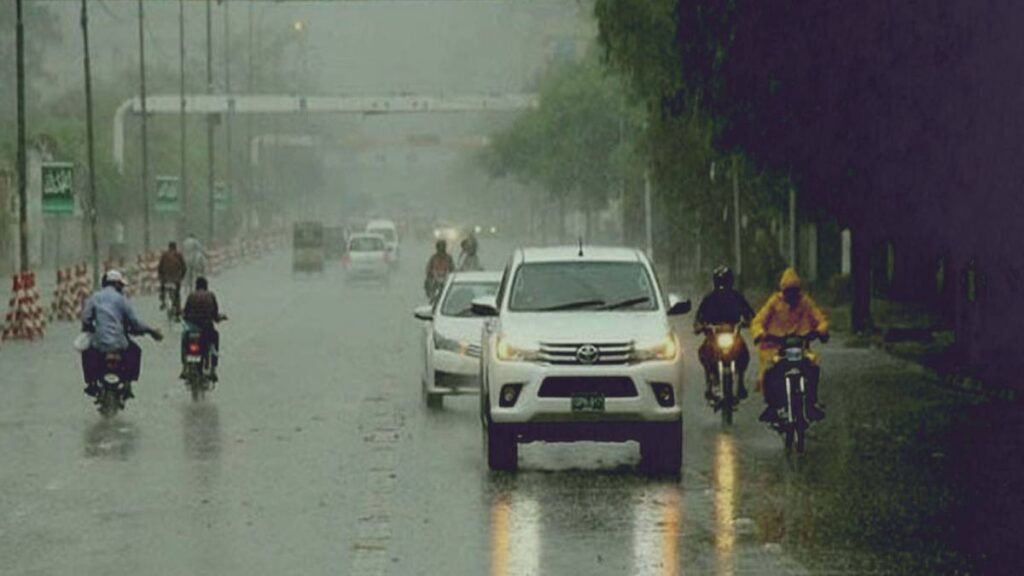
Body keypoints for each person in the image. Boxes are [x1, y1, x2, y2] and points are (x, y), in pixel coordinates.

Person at [751, 267, 829, 423]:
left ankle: (811, 403)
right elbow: (758, 321)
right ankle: (772, 406)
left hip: (800, 347)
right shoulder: (774, 302)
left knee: (812, 367)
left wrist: (820, 331)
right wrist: (760, 333)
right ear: (783, 291)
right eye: (788, 291)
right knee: (769, 370)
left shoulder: (805, 302)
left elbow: (820, 319)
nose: (792, 296)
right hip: (775, 347)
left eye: (794, 291)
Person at [80, 270, 163, 399]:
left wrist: (89, 328)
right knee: (135, 351)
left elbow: (86, 318)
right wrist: (151, 331)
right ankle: (128, 383)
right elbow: (134, 323)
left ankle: (91, 383)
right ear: (117, 285)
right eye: (121, 286)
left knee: (86, 353)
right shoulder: (122, 300)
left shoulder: (95, 298)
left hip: (99, 344)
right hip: (120, 344)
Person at [694, 266, 755, 403]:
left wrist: (748, 322)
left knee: (743, 352)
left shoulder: (737, 297)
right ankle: (710, 382)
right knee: (704, 352)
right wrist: (700, 327)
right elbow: (699, 317)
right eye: (720, 281)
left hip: (733, 334)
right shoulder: (709, 298)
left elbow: (749, 314)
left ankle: (740, 382)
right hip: (713, 336)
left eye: (725, 281)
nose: (723, 285)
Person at [181, 276, 225, 382]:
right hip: (207, 328)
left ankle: (184, 367)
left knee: (183, 342)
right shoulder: (211, 295)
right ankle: (213, 368)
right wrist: (220, 318)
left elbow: (185, 314)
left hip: (192, 329)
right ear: (206, 286)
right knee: (215, 338)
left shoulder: (191, 296)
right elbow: (215, 315)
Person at [157, 241, 187, 314]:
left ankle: (163, 300)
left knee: (162, 288)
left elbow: (160, 267)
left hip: (166, 279)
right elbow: (184, 267)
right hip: (176, 279)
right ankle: (178, 311)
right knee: (177, 294)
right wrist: (182, 276)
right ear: (175, 247)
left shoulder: (164, 255)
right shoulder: (179, 255)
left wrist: (161, 277)